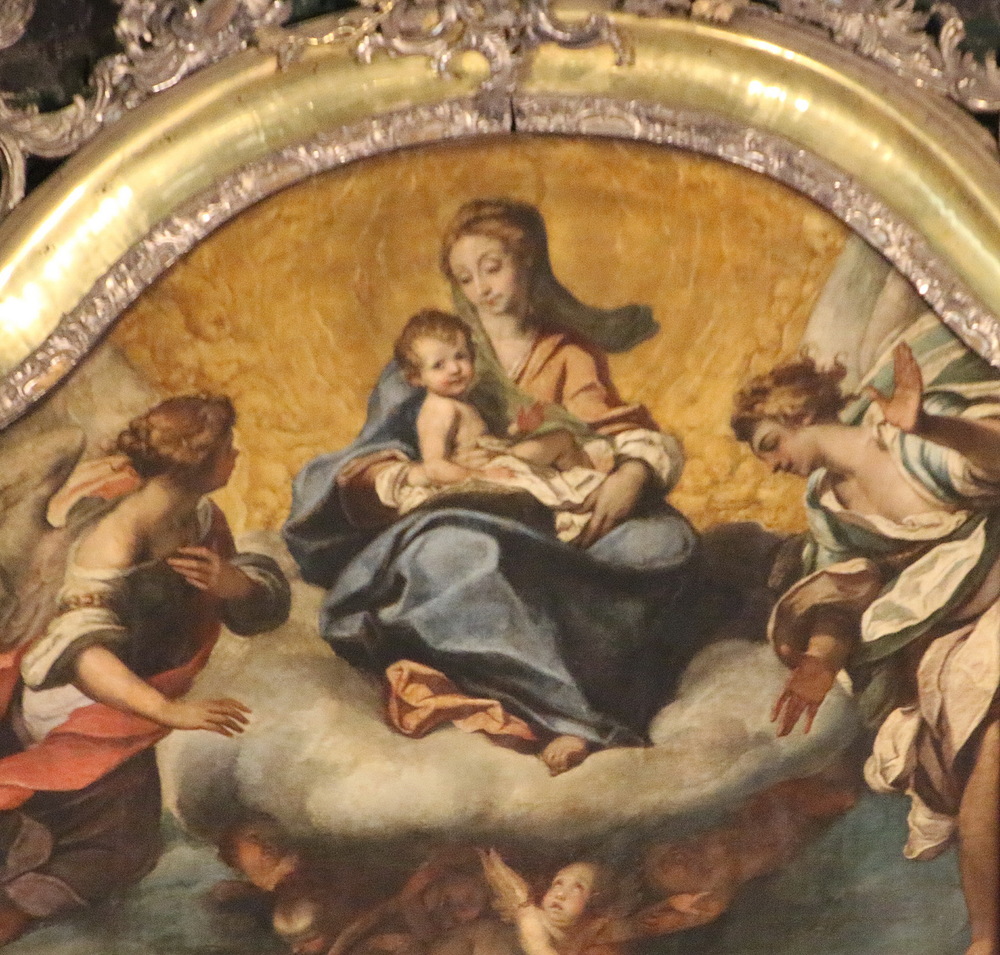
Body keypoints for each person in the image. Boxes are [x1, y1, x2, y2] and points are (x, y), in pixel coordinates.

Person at [284, 198, 700, 775]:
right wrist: (411, 476)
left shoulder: (567, 354)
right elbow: (377, 450)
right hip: (465, 513)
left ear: (528, 264)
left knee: (662, 545)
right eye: (465, 276)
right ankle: (568, 718)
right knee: (458, 557)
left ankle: (572, 695)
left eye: (493, 267)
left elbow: (607, 427)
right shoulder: (431, 356)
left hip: (553, 509)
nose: (481, 288)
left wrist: (632, 473)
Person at [732, 328, 1000, 955]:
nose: (772, 463)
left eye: (771, 443)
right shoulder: (827, 505)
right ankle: (986, 936)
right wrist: (820, 662)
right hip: (956, 628)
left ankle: (986, 937)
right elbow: (846, 594)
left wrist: (928, 424)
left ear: (799, 413)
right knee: (976, 753)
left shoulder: (903, 438)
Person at [0, 395, 291, 946]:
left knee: (110, 835)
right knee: (110, 841)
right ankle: (16, 912)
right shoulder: (115, 538)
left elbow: (253, 603)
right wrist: (167, 710)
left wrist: (236, 585)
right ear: (196, 462)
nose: (236, 456)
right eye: (227, 448)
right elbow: (79, 651)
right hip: (83, 705)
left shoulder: (199, 519)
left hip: (136, 701)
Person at [385, 309, 615, 543]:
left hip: (497, 457)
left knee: (560, 438)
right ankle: (589, 493)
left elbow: (481, 439)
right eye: (438, 365)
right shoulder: (439, 410)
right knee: (561, 441)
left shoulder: (458, 401)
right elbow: (434, 467)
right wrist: (481, 475)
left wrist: (519, 429)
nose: (454, 369)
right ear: (416, 378)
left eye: (460, 356)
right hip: (484, 472)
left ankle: (590, 483)